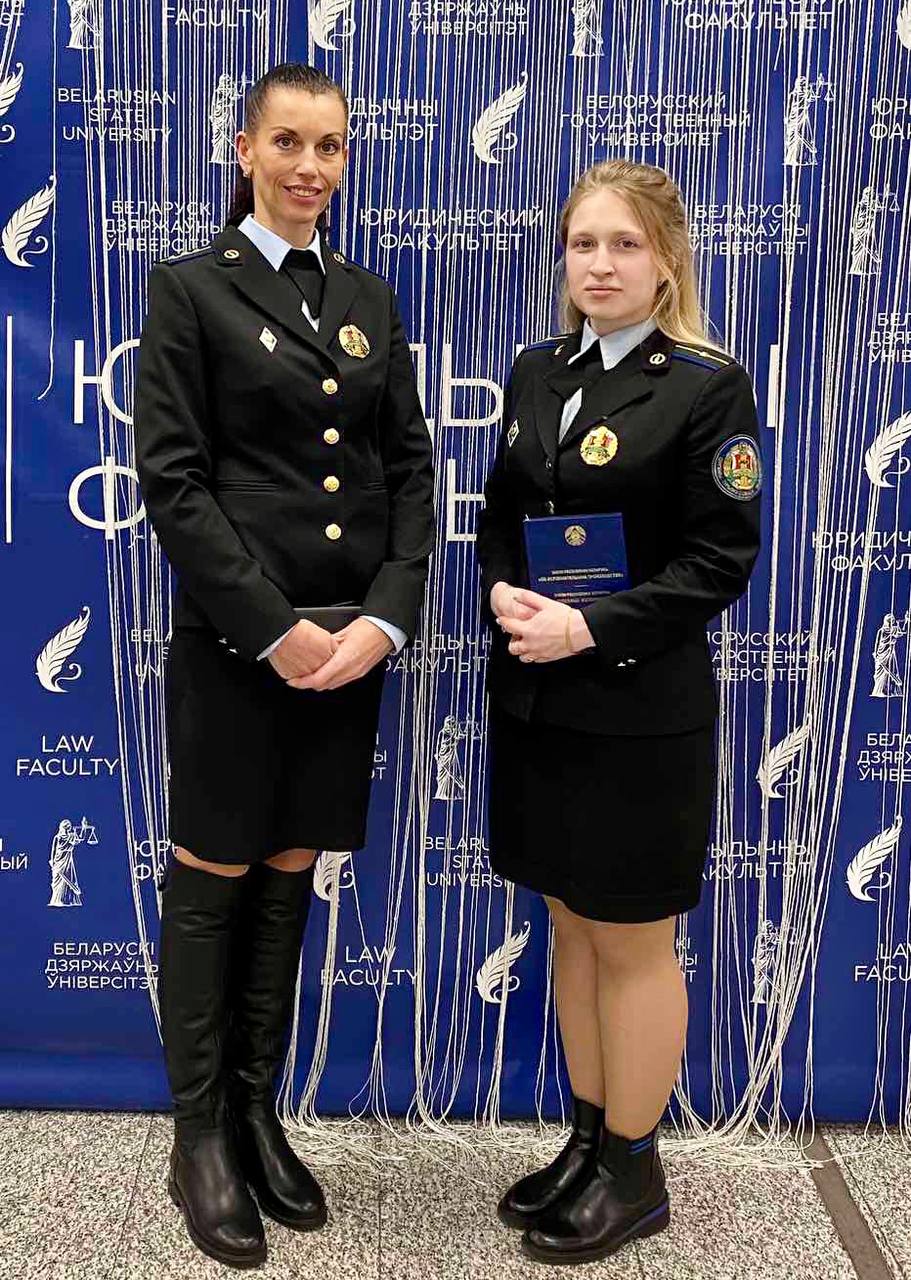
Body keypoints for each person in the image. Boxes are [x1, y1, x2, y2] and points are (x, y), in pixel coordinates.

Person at [133, 62, 434, 1269]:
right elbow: (173, 482)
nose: (311, 166)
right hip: (236, 645)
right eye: (289, 142)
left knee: (292, 863)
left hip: (346, 652)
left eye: (330, 146)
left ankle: (257, 1112)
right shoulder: (189, 290)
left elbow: (408, 472)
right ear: (244, 149)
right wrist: (272, 626)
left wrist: (384, 620)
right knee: (214, 874)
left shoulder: (366, 297)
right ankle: (200, 1135)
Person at [476, 159, 762, 1265]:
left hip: (639, 709)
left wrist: (589, 629)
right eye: (582, 243)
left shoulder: (703, 386)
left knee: (633, 940)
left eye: (624, 245)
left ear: (665, 261)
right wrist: (503, 591)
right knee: (568, 921)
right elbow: (502, 518)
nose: (599, 264)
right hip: (538, 701)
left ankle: (636, 1173)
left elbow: (718, 560)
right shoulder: (534, 371)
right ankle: (590, 1141)